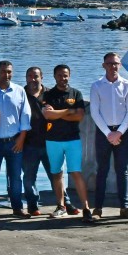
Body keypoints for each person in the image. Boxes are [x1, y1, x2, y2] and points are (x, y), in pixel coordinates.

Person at [42, 65, 94, 222]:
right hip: (53, 140)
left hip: (72, 140)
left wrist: (58, 113)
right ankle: (61, 206)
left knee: (75, 172)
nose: (62, 78)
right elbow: (47, 114)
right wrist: (67, 111)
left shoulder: (76, 93)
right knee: (57, 174)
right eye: (59, 75)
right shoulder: (48, 94)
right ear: (54, 76)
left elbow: (79, 116)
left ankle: (86, 208)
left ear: (69, 76)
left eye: (65, 75)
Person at [23, 67, 76, 217]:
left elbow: (63, 114)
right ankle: (32, 206)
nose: (33, 79)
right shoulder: (21, 94)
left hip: (50, 143)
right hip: (29, 144)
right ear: (26, 78)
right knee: (29, 177)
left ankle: (65, 204)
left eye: (36, 76)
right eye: (30, 76)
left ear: (42, 77)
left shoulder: (50, 94)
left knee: (56, 174)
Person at [90, 52, 128, 220]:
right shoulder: (97, 86)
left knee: (122, 170)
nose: (113, 66)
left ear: (120, 65)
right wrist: (108, 133)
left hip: (122, 132)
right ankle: (98, 209)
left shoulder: (127, 85)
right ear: (104, 65)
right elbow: (94, 112)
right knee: (102, 170)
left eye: (116, 63)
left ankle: (124, 207)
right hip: (104, 133)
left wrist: (119, 132)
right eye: (109, 63)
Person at [0, 61, 31, 217]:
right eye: (3, 71)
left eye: (9, 72)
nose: (6, 75)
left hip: (14, 141)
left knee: (15, 177)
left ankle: (17, 207)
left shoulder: (19, 90)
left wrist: (21, 139)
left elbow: (25, 116)